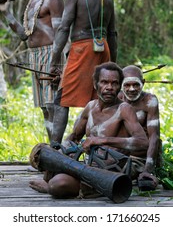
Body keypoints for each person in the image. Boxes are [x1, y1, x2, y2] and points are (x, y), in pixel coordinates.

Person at [29, 62, 149, 198]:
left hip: (110, 172)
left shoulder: (124, 109)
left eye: (114, 83)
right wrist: (59, 156)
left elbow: (143, 142)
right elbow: (73, 137)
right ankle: (54, 182)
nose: (109, 87)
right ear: (95, 84)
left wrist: (103, 140)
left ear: (119, 86)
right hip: (85, 168)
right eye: (104, 82)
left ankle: (52, 187)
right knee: (49, 161)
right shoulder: (90, 107)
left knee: (58, 184)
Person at [46, 0, 118, 145]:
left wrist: (54, 61)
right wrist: (113, 66)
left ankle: (54, 150)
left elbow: (63, 28)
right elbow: (112, 33)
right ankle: (98, 149)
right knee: (99, 100)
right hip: (103, 49)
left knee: (61, 100)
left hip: (82, 50)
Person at [0, 0, 67, 141]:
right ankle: (54, 149)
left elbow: (60, 34)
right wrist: (6, 12)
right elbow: (24, 35)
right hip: (35, 56)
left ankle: (57, 150)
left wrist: (57, 63)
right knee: (45, 107)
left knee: (54, 104)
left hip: (51, 55)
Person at [118, 65, 160, 190]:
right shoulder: (116, 99)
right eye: (127, 85)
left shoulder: (149, 101)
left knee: (118, 177)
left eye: (136, 85)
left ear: (143, 83)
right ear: (121, 84)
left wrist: (148, 169)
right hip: (118, 156)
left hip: (139, 158)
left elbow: (154, 136)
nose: (131, 89)